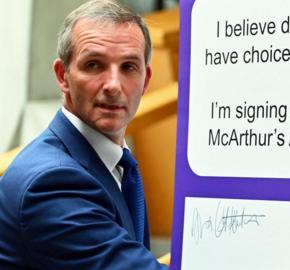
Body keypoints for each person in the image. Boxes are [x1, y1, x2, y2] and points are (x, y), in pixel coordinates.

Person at [0, 0, 167, 269]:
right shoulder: (52, 182)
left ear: (145, 80)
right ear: (62, 75)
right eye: (94, 65)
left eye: (128, 67)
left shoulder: (110, 160)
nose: (113, 85)